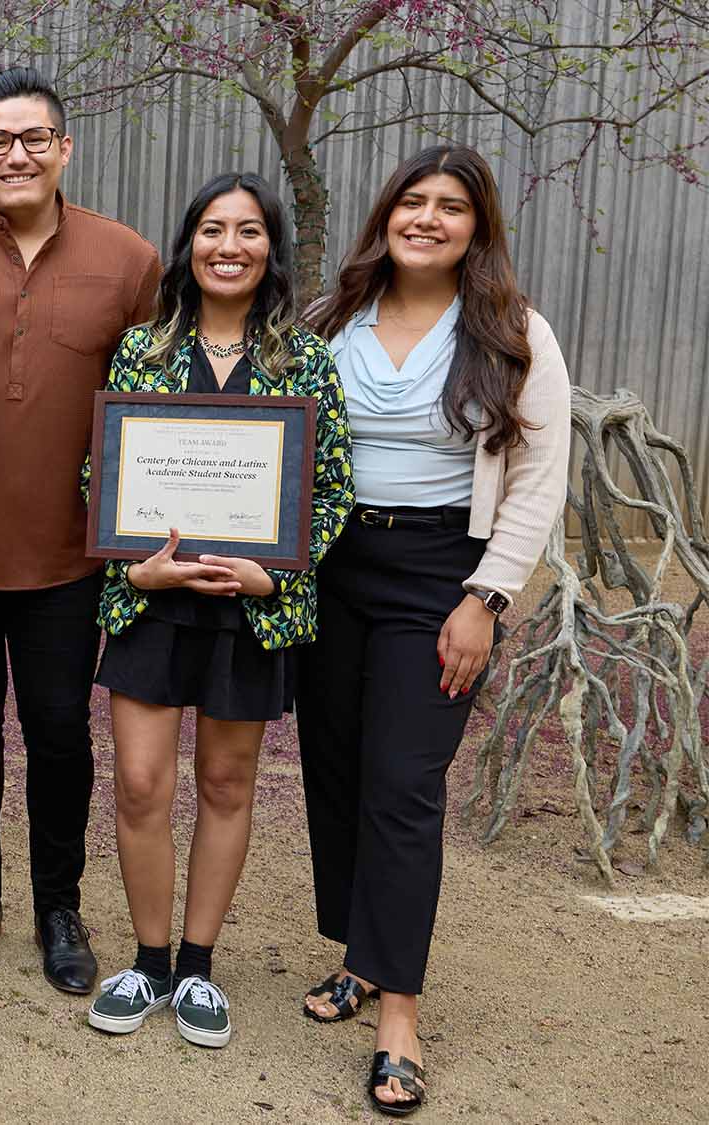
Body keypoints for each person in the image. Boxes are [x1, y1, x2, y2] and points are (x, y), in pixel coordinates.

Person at [298, 145, 571, 1116]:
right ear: (385, 215)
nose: (426, 218)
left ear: (476, 226)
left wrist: (484, 600)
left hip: (439, 575)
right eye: (411, 201)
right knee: (335, 769)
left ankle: (399, 1015)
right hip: (331, 565)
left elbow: (538, 480)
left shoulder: (513, 332)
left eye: (450, 206)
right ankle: (358, 957)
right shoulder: (331, 318)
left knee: (403, 784)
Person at [80, 173, 353, 1048]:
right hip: (154, 605)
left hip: (250, 612)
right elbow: (100, 475)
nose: (228, 246)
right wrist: (138, 569)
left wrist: (275, 577)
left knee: (228, 785)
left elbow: (332, 489)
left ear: (272, 247)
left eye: (247, 231)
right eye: (211, 229)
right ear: (188, 243)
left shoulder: (305, 359)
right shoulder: (142, 349)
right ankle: (148, 962)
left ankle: (198, 966)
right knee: (140, 783)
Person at [0, 67, 159, 991]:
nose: (16, 155)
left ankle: (60, 903)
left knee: (59, 730)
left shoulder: (128, 260)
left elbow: (156, 406)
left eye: (34, 138)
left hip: (69, 555)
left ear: (64, 149)